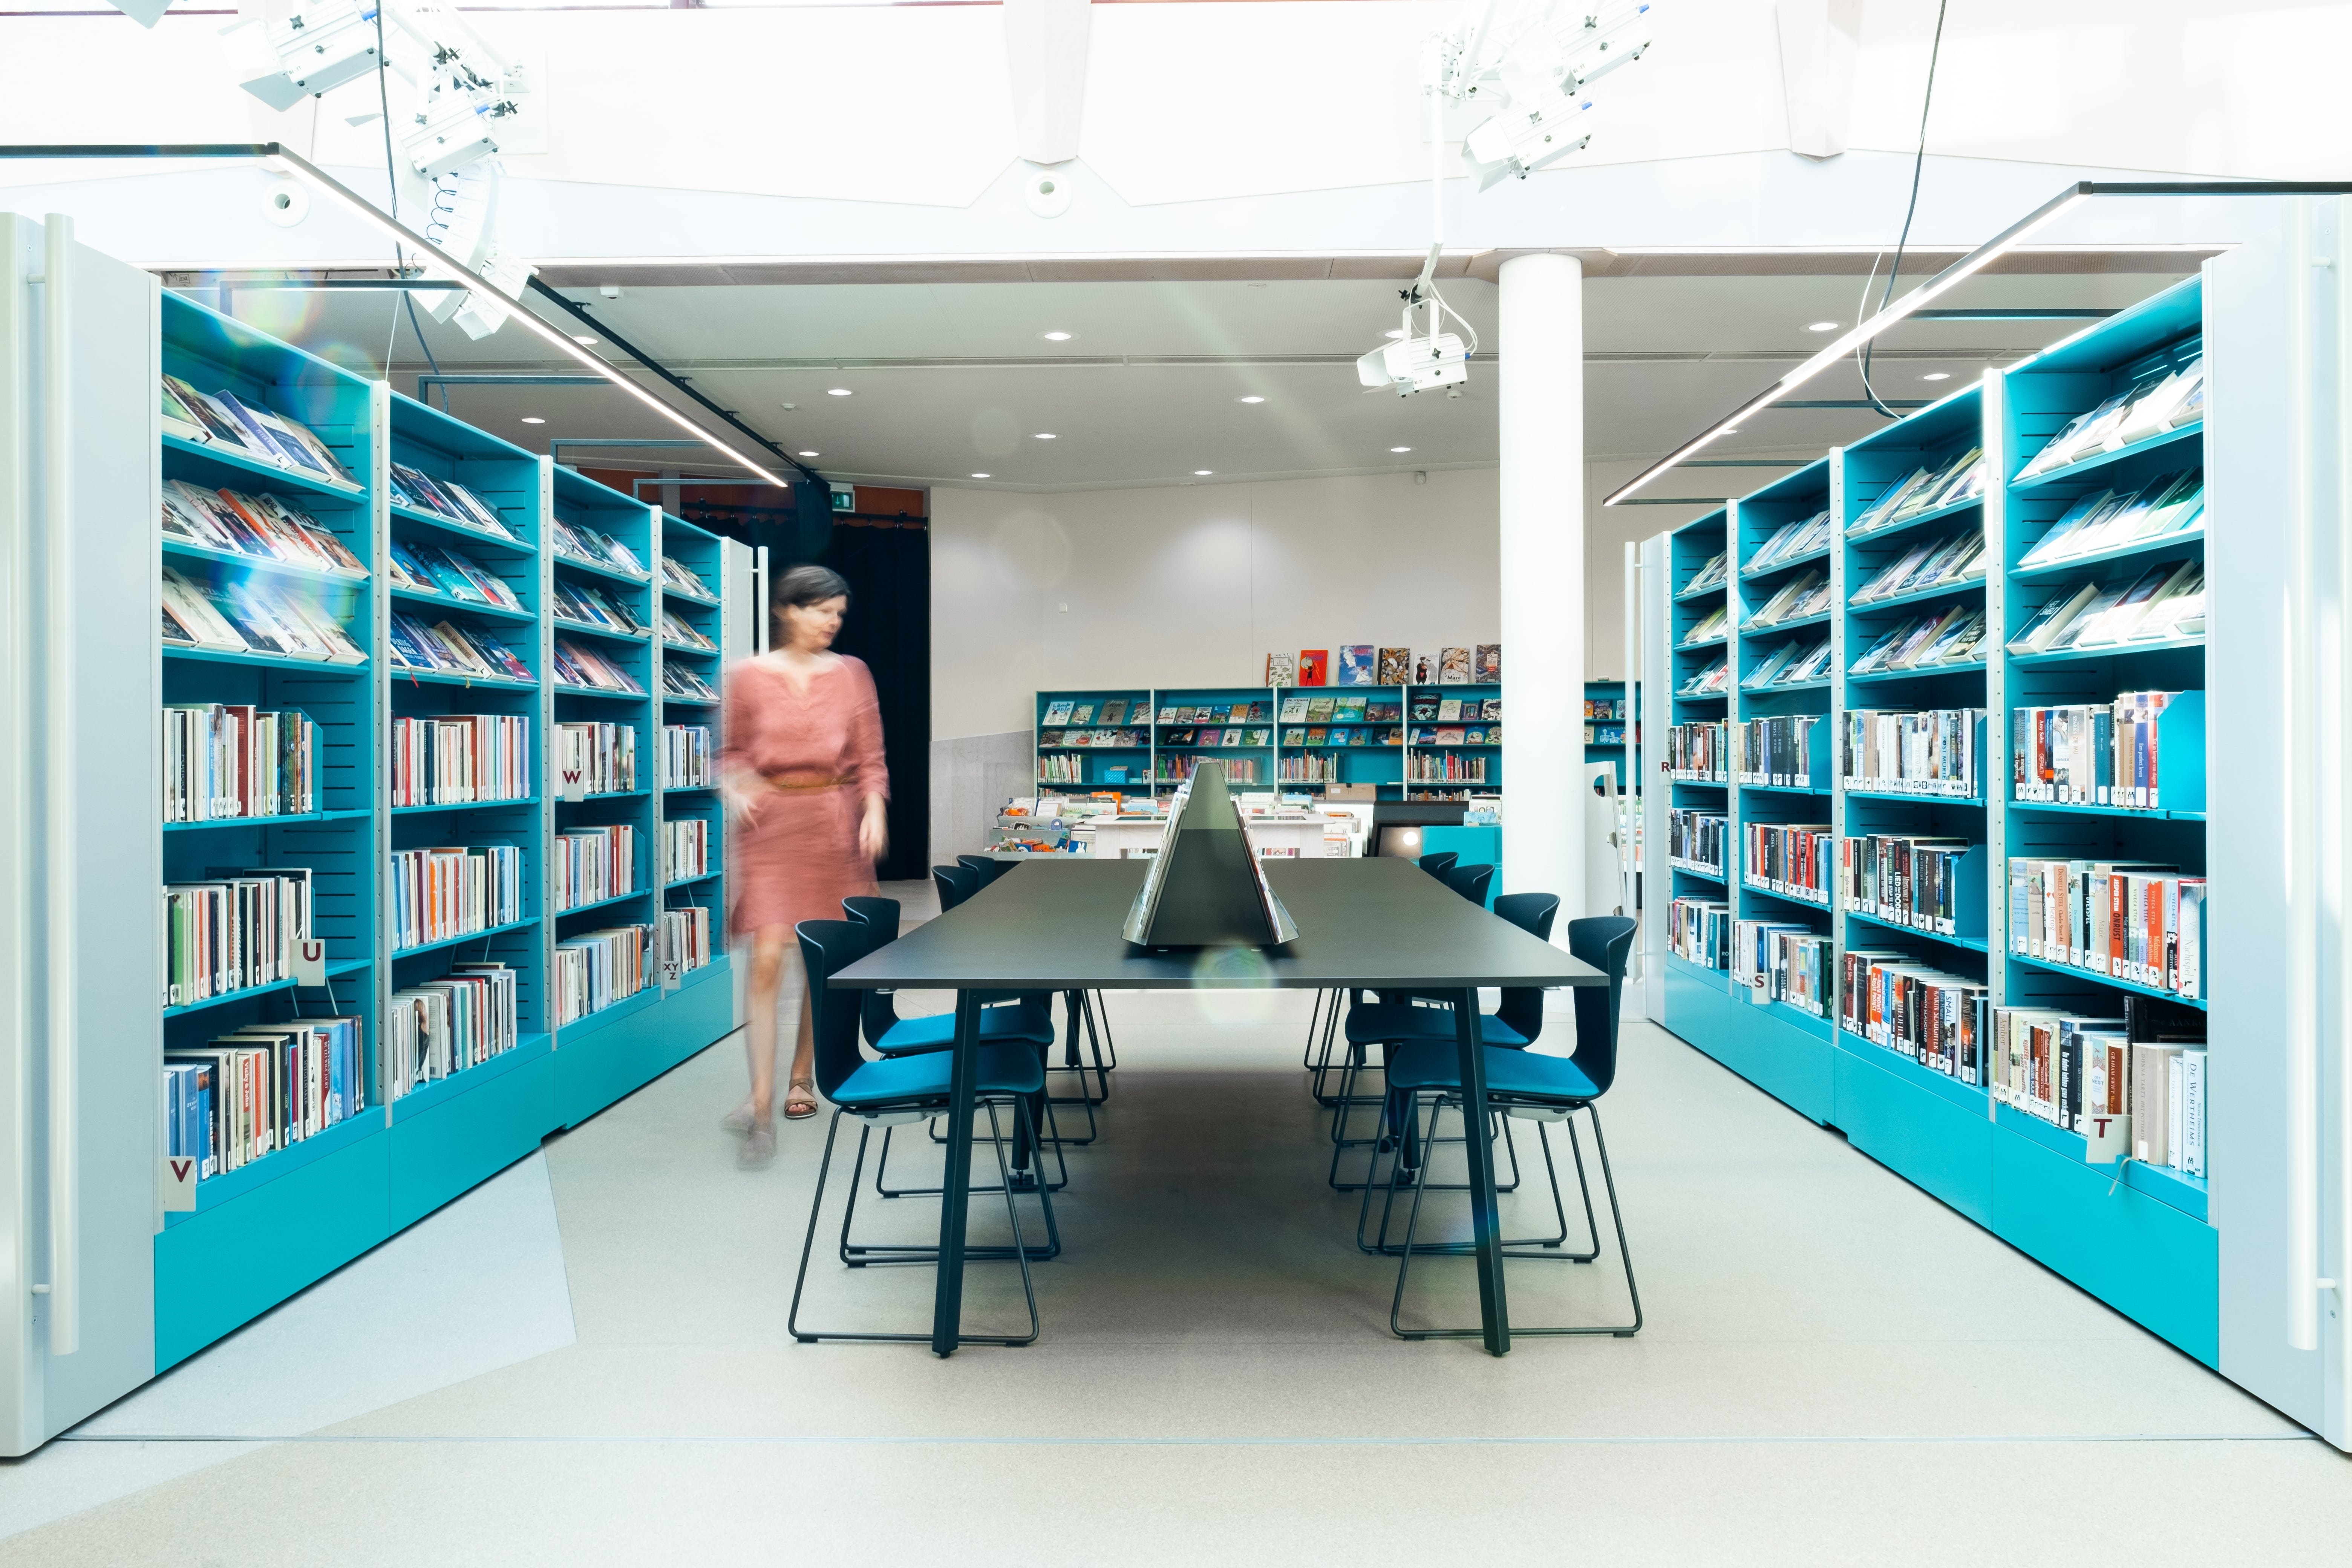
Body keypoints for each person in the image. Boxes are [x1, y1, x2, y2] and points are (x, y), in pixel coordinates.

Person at [717, 564, 888, 1168]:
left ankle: (801, 1077)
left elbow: (871, 758)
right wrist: (734, 785)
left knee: (822, 957)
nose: (832, 623)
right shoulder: (746, 677)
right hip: (771, 829)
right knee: (767, 959)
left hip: (831, 826)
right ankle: (760, 1103)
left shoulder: (852, 674)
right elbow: (730, 753)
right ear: (788, 609)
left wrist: (874, 809)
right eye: (822, 611)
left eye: (839, 614)